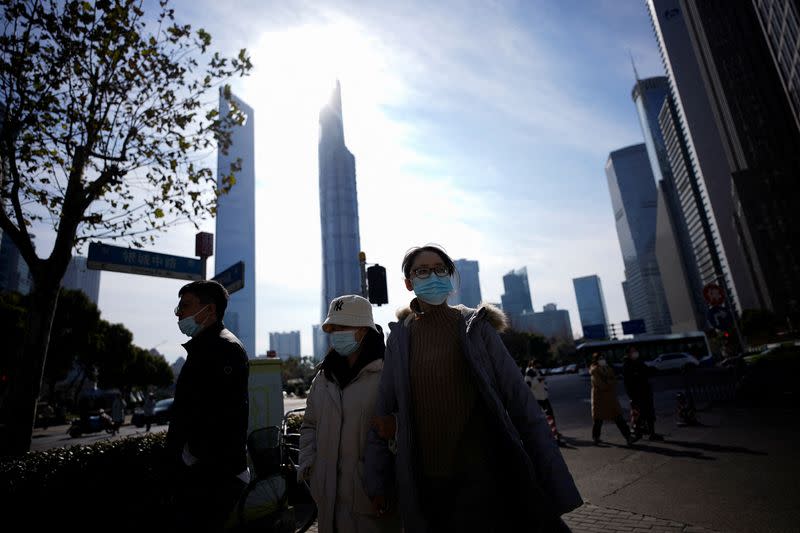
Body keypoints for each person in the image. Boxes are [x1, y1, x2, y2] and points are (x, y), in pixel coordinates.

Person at [365, 244, 581, 532]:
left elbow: (521, 403)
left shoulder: (476, 327)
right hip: (426, 479)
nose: (433, 276)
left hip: (482, 473)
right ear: (409, 283)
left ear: (451, 277)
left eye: (440, 269)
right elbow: (383, 411)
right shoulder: (400, 339)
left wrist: (553, 479)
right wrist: (378, 482)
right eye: (422, 271)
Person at [299, 294, 401, 533]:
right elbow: (309, 425)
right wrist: (309, 467)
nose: (336, 333)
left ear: (363, 330)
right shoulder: (323, 377)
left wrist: (387, 484)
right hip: (327, 501)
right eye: (333, 328)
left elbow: (408, 428)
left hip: (372, 502)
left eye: (343, 326)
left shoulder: (389, 374)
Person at [166, 280, 250, 531]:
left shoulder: (223, 348)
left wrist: (191, 464)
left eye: (186, 305)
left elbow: (219, 418)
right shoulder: (205, 347)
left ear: (210, 310)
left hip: (212, 477)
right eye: (178, 307)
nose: (179, 313)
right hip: (204, 474)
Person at [590, 352, 636, 446]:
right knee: (598, 420)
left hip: (611, 398)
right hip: (600, 400)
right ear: (596, 360)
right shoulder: (595, 371)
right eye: (600, 358)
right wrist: (610, 382)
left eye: (603, 358)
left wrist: (609, 382)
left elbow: (614, 381)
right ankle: (596, 437)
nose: (602, 360)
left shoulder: (608, 368)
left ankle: (628, 437)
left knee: (619, 418)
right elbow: (602, 385)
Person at [623, 346, 663, 441]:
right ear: (628, 354)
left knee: (649, 413)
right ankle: (637, 434)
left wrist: (653, 370)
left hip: (646, 392)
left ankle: (652, 434)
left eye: (635, 351)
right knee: (639, 415)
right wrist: (631, 396)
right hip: (637, 394)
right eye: (632, 351)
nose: (635, 353)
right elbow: (627, 383)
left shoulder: (640, 362)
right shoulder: (627, 365)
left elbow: (647, 371)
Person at [525, 359, 562, 444]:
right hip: (537, 397)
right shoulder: (529, 372)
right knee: (539, 416)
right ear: (534, 364)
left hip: (543, 396)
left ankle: (554, 431)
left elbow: (543, 382)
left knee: (550, 414)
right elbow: (528, 385)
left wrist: (545, 387)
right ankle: (545, 434)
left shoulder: (537, 371)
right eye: (538, 364)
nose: (539, 366)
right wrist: (538, 380)